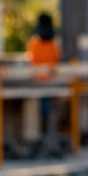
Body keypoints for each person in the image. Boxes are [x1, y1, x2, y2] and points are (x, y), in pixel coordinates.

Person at [26, 12, 60, 140]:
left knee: (41, 109)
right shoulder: (54, 44)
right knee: (49, 109)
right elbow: (56, 63)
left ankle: (42, 135)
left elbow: (31, 62)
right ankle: (49, 133)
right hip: (51, 83)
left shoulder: (34, 44)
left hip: (39, 83)